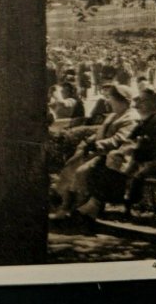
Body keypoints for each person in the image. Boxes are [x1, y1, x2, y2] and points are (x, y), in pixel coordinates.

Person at [74, 88, 156, 223]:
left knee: (112, 168)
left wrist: (128, 153)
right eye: (138, 100)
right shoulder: (148, 118)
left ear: (154, 102)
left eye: (142, 101)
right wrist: (122, 152)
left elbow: (152, 147)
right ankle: (94, 205)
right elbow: (131, 140)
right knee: (103, 165)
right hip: (140, 158)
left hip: (153, 161)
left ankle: (95, 205)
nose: (138, 104)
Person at [50, 84, 138, 220]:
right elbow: (100, 132)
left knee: (81, 172)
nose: (108, 101)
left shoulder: (131, 118)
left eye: (112, 98)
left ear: (123, 101)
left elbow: (118, 140)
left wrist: (96, 145)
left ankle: (76, 209)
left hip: (113, 157)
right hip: (98, 152)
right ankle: (64, 204)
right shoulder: (114, 115)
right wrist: (88, 141)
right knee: (70, 166)